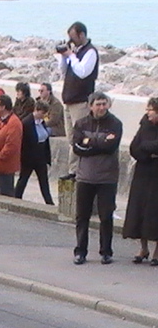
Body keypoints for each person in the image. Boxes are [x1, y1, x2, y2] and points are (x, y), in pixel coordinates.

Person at [71, 92, 122, 265]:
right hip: (85, 176)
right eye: (98, 104)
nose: (101, 108)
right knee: (82, 216)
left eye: (104, 104)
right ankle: (80, 251)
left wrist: (89, 141)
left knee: (106, 216)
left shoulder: (115, 124)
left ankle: (106, 251)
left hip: (107, 177)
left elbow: (110, 147)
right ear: (90, 105)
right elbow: (77, 147)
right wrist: (99, 141)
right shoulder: (81, 123)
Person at [58, 21, 99, 180]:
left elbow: (83, 72)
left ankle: (76, 171)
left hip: (81, 101)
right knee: (71, 139)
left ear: (82, 35)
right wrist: (64, 57)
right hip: (69, 100)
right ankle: (73, 170)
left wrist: (71, 56)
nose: (71, 41)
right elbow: (63, 72)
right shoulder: (75, 52)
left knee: (79, 137)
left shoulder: (90, 52)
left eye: (73, 37)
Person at [122, 97, 158, 265]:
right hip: (143, 171)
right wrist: (149, 153)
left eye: (150, 109)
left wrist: (148, 147)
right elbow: (135, 147)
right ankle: (143, 248)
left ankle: (157, 252)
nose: (147, 112)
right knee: (140, 210)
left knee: (154, 211)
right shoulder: (144, 125)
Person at [14, 101, 54, 205]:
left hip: (40, 157)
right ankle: (16, 198)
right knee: (23, 179)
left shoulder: (42, 122)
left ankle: (49, 202)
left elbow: (45, 140)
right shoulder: (26, 123)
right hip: (29, 157)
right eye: (42, 112)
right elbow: (23, 142)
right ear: (37, 110)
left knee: (44, 182)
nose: (43, 115)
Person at [0, 94, 23, 197]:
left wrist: (0, 156)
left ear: (3, 107)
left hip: (5, 164)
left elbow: (11, 145)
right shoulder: (2, 120)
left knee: (6, 193)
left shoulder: (14, 123)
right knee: (1, 192)